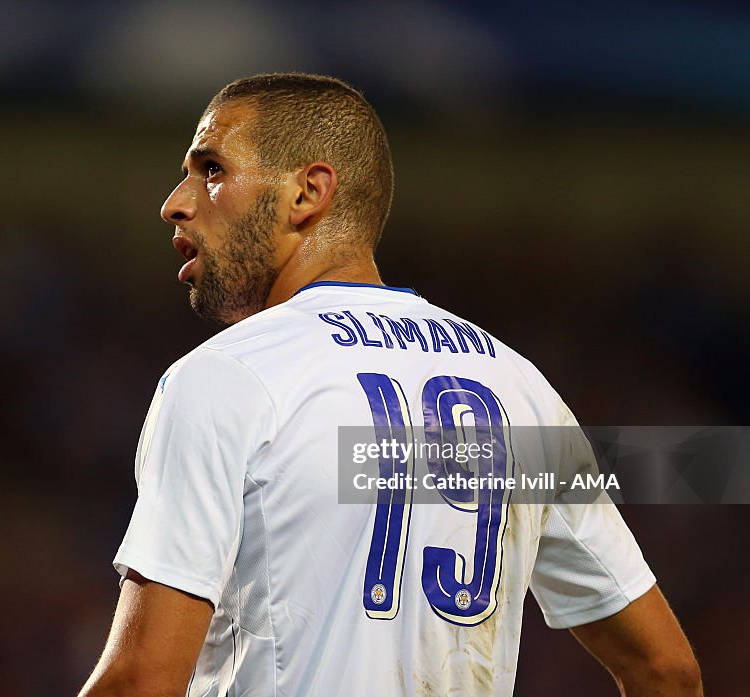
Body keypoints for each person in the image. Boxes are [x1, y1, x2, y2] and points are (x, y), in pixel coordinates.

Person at [77, 73, 702, 696]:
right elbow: (666, 669)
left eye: (211, 169)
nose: (177, 202)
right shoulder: (519, 387)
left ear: (308, 193)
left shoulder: (227, 378)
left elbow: (141, 680)